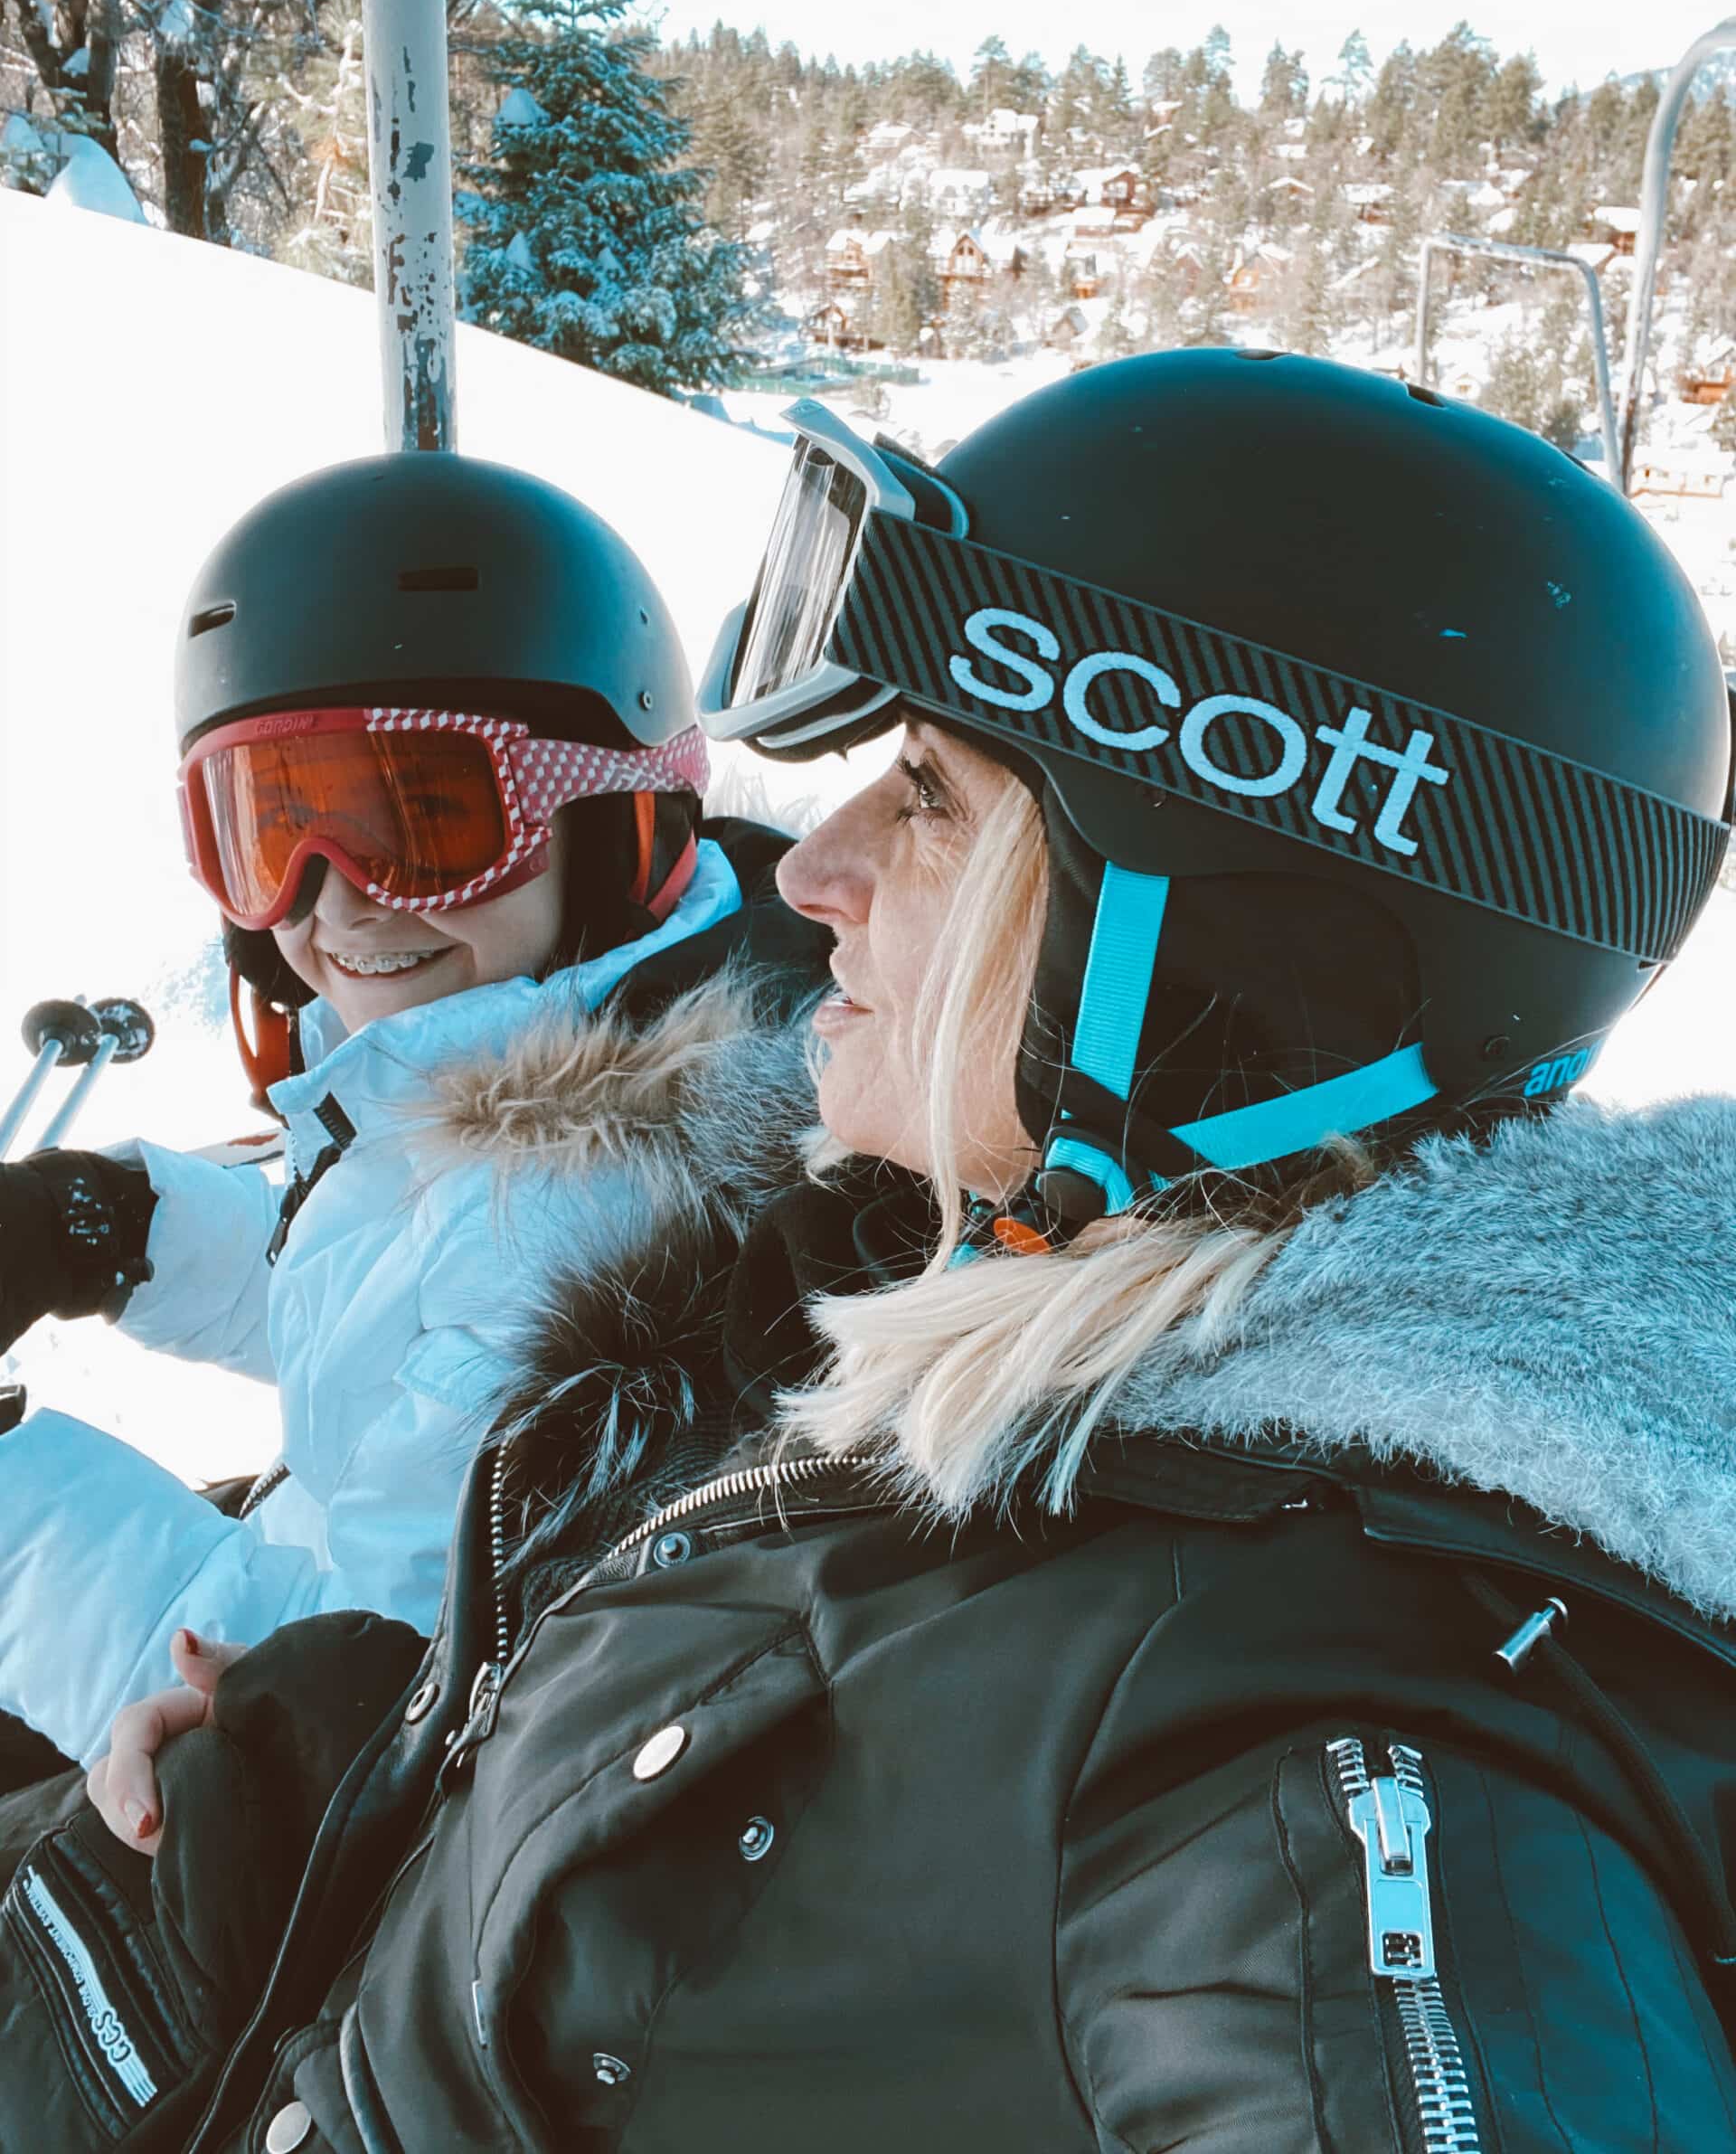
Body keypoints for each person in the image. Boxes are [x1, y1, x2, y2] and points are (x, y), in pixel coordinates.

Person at [14, 352, 1736, 2152]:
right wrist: (392, 1777)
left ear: (1210, 946)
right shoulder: (923, 1311)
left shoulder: (1316, 1725)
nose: (812, 862)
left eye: (923, 794)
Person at [0, 449, 825, 1785]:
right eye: (272, 831)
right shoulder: (559, 1060)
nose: (338, 903)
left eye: (423, 822)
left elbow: (327, 1718)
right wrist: (104, 1230)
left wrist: (15, 1516)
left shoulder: (589, 1215)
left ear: (620, 816)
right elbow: (376, 1303)